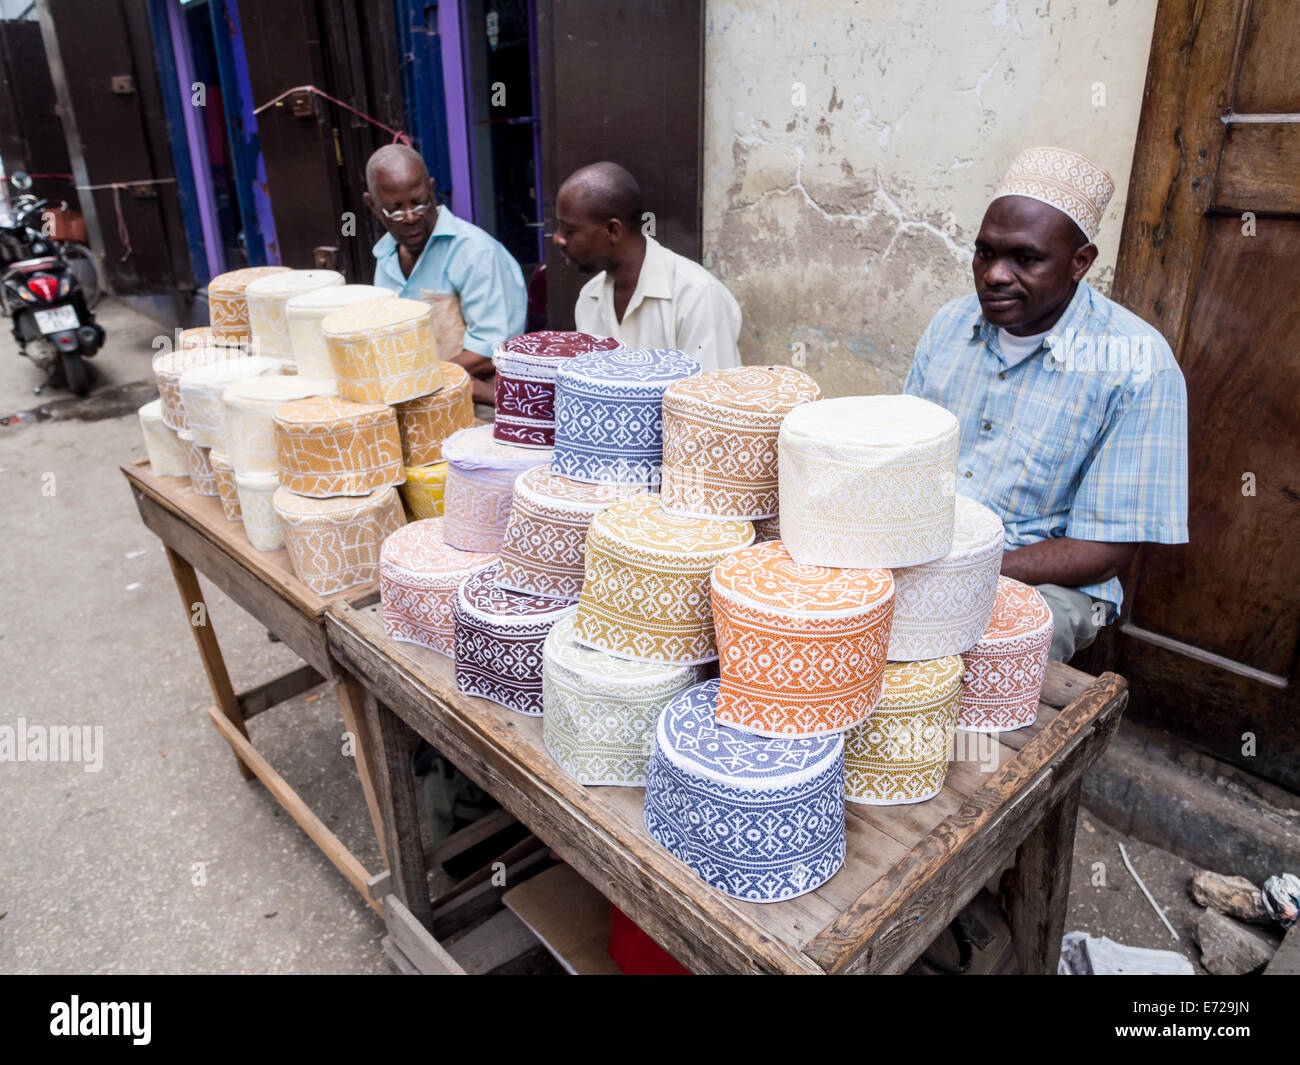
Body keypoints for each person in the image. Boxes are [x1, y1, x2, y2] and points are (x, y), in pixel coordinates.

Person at [904, 146, 1188, 661]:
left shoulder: (1137, 364)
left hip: (1051, 583)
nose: (993, 275)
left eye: (1025, 258)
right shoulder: (950, 324)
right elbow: (905, 456)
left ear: (1080, 263)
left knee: (989, 655)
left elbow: (1103, 553)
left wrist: (961, 573)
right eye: (985, 252)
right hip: (929, 551)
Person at [365, 144, 525, 405]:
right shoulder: (385, 257)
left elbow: (491, 352)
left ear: (431, 188)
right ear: (372, 206)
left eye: (419, 204)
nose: (409, 218)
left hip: (477, 407)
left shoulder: (476, 253)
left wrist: (415, 383)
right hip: (412, 402)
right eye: (395, 209)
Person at [553, 161, 742, 371]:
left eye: (569, 230)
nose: (557, 238)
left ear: (613, 230)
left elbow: (710, 396)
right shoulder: (589, 297)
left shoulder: (698, 295)